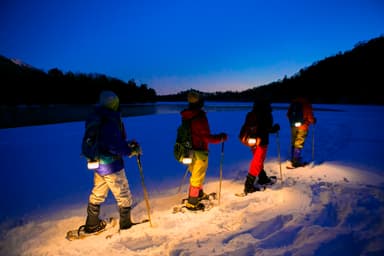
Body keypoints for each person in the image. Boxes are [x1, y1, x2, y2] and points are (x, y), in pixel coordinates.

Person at [82, 90, 142, 233]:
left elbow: (107, 142)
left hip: (99, 163)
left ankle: (92, 224)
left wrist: (125, 144)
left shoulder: (98, 117)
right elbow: (113, 146)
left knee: (98, 193)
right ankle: (126, 226)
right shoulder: (109, 120)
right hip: (112, 165)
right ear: (114, 104)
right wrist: (130, 151)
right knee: (124, 195)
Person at [180, 90, 228, 211]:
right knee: (197, 176)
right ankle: (192, 202)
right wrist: (221, 138)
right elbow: (206, 137)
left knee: (196, 174)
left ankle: (199, 194)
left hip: (188, 150)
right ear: (200, 102)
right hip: (200, 151)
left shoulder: (186, 116)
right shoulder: (200, 117)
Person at [239, 98, 280, 194]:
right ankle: (248, 186)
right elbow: (267, 128)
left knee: (258, 160)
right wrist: (275, 128)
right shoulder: (266, 114)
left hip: (252, 141)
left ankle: (262, 178)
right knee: (257, 161)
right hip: (262, 141)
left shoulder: (253, 113)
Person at [286, 95, 316, 167]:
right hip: (303, 126)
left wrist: (292, 122)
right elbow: (310, 117)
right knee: (299, 142)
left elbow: (288, 115)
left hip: (293, 126)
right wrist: (313, 121)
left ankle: (293, 158)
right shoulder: (306, 104)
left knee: (294, 142)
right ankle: (296, 160)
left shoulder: (293, 103)